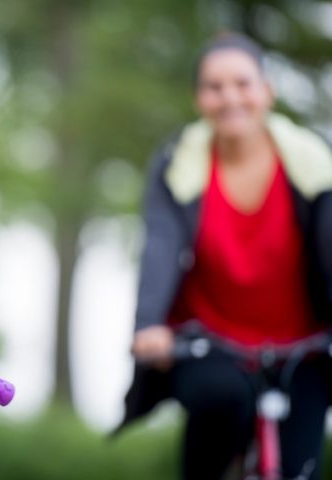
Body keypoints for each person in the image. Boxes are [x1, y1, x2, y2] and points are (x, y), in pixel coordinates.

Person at [121, 33, 332, 480]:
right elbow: (159, 243)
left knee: (299, 469)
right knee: (219, 401)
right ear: (200, 99)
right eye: (215, 87)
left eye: (243, 83)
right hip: (209, 342)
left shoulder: (315, 164)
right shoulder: (177, 165)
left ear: (267, 92)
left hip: (305, 346)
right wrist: (147, 325)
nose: (230, 97)